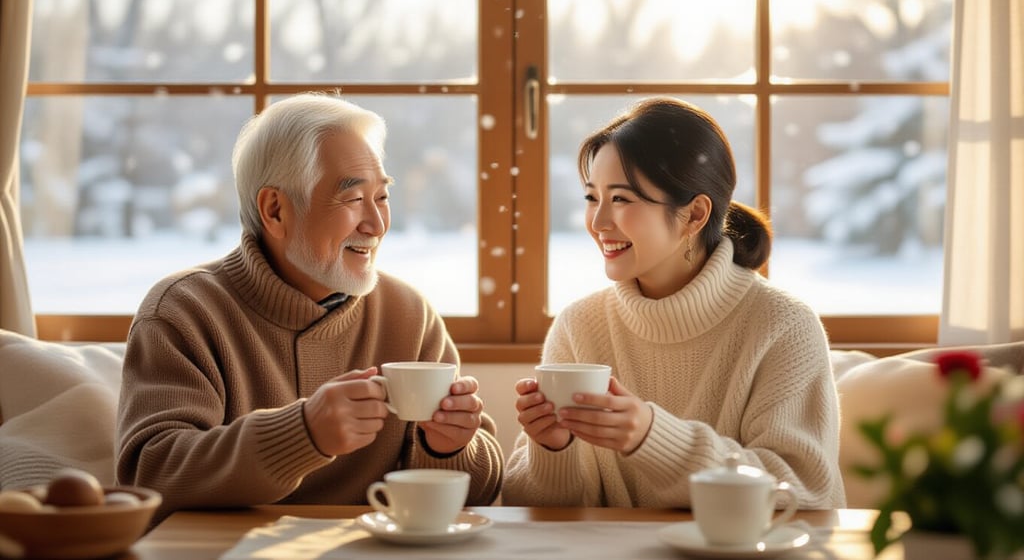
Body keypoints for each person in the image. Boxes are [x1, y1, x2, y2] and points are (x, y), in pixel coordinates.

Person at [116, 92, 503, 525]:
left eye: (381, 197)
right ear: (275, 210)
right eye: (353, 199)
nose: (377, 225)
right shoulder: (184, 311)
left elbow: (484, 492)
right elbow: (151, 476)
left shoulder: (409, 315)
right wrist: (301, 434)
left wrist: (449, 448)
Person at [502, 97, 845, 509]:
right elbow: (529, 505)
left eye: (621, 199)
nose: (598, 223)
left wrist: (652, 437)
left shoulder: (784, 326)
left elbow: (804, 490)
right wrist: (553, 450)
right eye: (592, 198)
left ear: (695, 215)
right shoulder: (579, 325)